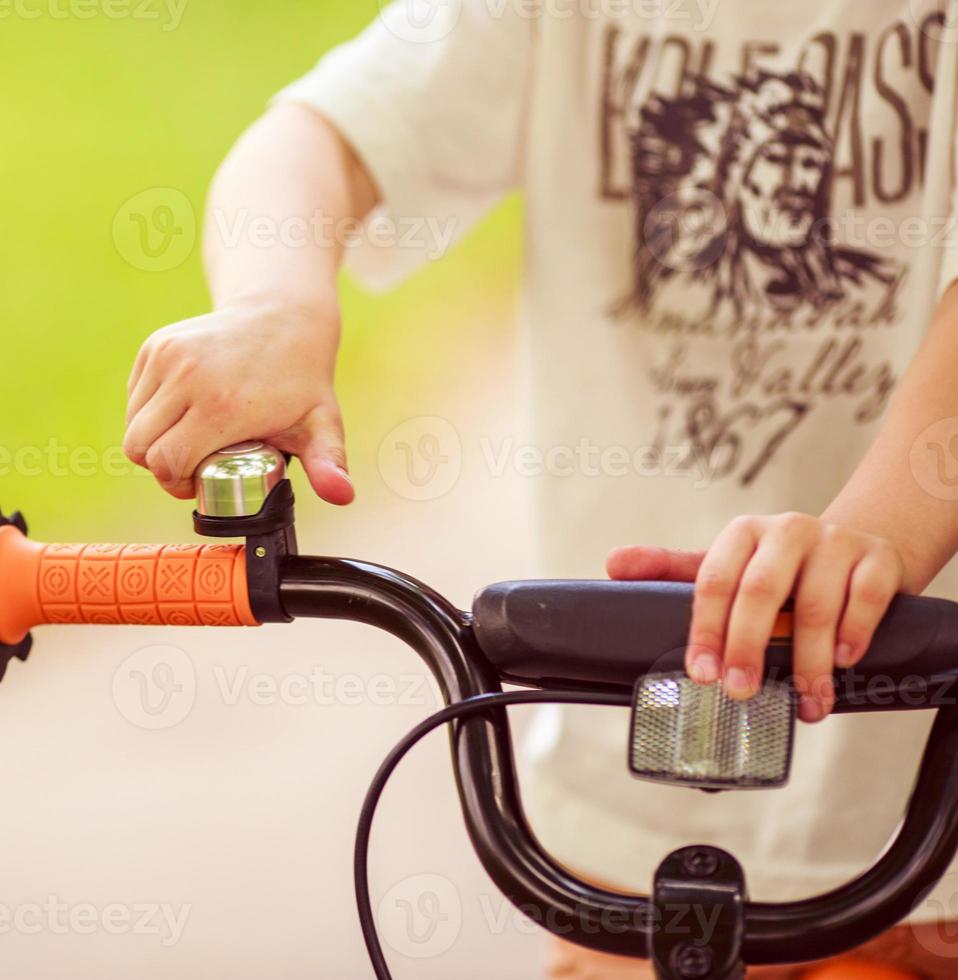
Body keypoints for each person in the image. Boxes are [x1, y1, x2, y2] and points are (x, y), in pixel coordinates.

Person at [121, 2, 958, 976]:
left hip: (929, 815)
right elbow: (323, 134)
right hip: (624, 819)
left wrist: (875, 533)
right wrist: (277, 301)